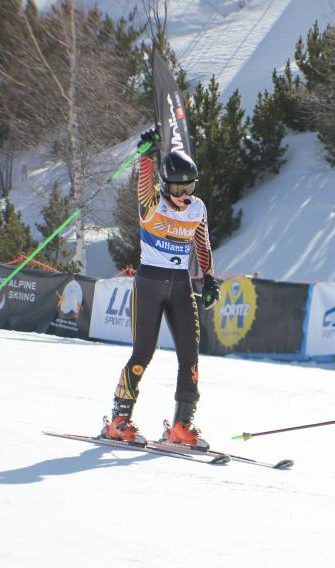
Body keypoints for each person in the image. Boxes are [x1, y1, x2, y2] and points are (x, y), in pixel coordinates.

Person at [102, 126, 220, 448]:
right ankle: (118, 419)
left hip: (181, 285)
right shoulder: (152, 202)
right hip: (150, 283)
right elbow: (144, 183)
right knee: (143, 352)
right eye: (180, 187)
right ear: (166, 186)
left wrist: (209, 278)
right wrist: (146, 156)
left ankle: (182, 426)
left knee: (190, 356)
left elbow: (203, 245)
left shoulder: (197, 208)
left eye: (191, 186)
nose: (186, 194)